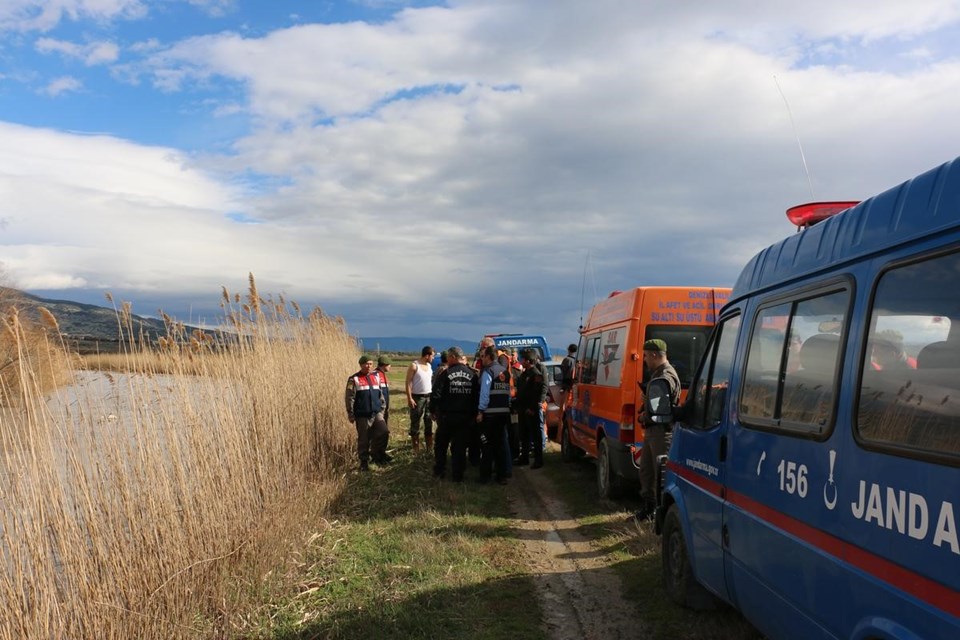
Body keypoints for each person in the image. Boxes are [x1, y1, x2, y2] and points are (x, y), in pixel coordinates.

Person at [635, 339, 681, 521]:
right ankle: (648, 509)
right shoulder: (658, 375)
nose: (644, 360)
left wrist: (643, 417)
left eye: (646, 356)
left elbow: (662, 408)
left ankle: (661, 515)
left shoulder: (666, 376)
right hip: (654, 430)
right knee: (647, 471)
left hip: (661, 431)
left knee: (661, 476)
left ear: (654, 355)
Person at [429, 347, 478, 482]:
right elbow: (476, 397)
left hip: (447, 417)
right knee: (460, 447)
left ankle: (440, 471)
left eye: (449, 357)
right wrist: (474, 415)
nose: (448, 360)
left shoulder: (446, 373)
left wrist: (432, 410)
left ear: (453, 357)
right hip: (465, 418)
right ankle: (458, 475)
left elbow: (436, 394)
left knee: (441, 445)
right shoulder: (473, 375)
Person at [345, 354, 390, 471]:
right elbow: (349, 397)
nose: (368, 366)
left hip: (376, 413)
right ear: (361, 365)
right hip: (362, 415)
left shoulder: (375, 377)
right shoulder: (353, 379)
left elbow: (380, 394)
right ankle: (364, 462)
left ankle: (377, 455)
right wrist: (350, 413)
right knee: (363, 439)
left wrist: (382, 408)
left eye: (370, 364)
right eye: (366, 364)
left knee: (384, 432)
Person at [476, 345, 512, 484]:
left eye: (483, 356)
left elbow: (484, 395)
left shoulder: (488, 372)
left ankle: (485, 477)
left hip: (490, 415)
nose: (482, 359)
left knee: (487, 446)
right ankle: (502, 476)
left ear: (490, 357)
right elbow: (508, 393)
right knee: (501, 446)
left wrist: (480, 411)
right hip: (504, 414)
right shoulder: (505, 372)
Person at [515, 348, 548, 469]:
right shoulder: (524, 374)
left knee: (536, 436)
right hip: (523, 409)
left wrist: (533, 408)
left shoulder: (536, 374)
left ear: (528, 360)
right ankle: (524, 457)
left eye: (522, 358)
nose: (521, 360)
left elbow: (538, 393)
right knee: (523, 435)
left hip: (531, 410)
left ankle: (538, 460)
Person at [406, 346, 436, 453]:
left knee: (429, 421)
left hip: (429, 397)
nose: (433, 358)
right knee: (415, 422)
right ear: (427, 355)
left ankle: (429, 448)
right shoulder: (414, 366)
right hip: (417, 397)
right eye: (432, 355)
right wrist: (409, 398)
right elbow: (408, 382)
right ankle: (416, 449)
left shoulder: (429, 366)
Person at [559, 343, 577, 411]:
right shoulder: (577, 360)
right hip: (574, 385)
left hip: (566, 385)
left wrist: (563, 387)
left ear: (568, 350)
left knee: (563, 405)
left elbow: (562, 372)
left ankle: (562, 419)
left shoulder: (566, 360)